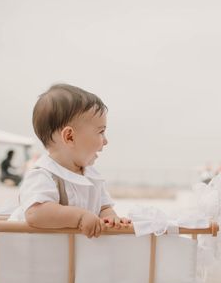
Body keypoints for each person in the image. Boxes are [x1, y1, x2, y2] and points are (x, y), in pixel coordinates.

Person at [9, 83, 130, 237]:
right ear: (70, 137)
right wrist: (79, 217)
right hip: (37, 253)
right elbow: (35, 213)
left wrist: (111, 219)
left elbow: (103, 208)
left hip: (72, 255)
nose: (105, 141)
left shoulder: (92, 176)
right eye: (101, 132)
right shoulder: (44, 174)